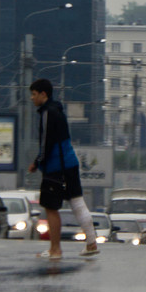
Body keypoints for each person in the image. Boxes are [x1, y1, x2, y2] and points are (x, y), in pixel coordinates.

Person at [28, 77, 100, 260]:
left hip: (55, 167)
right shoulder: (58, 110)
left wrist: (37, 162)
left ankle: (55, 250)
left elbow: (46, 142)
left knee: (50, 207)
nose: (32, 98)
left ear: (43, 94)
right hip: (70, 163)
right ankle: (91, 243)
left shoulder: (47, 113)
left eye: (34, 94)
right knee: (77, 202)